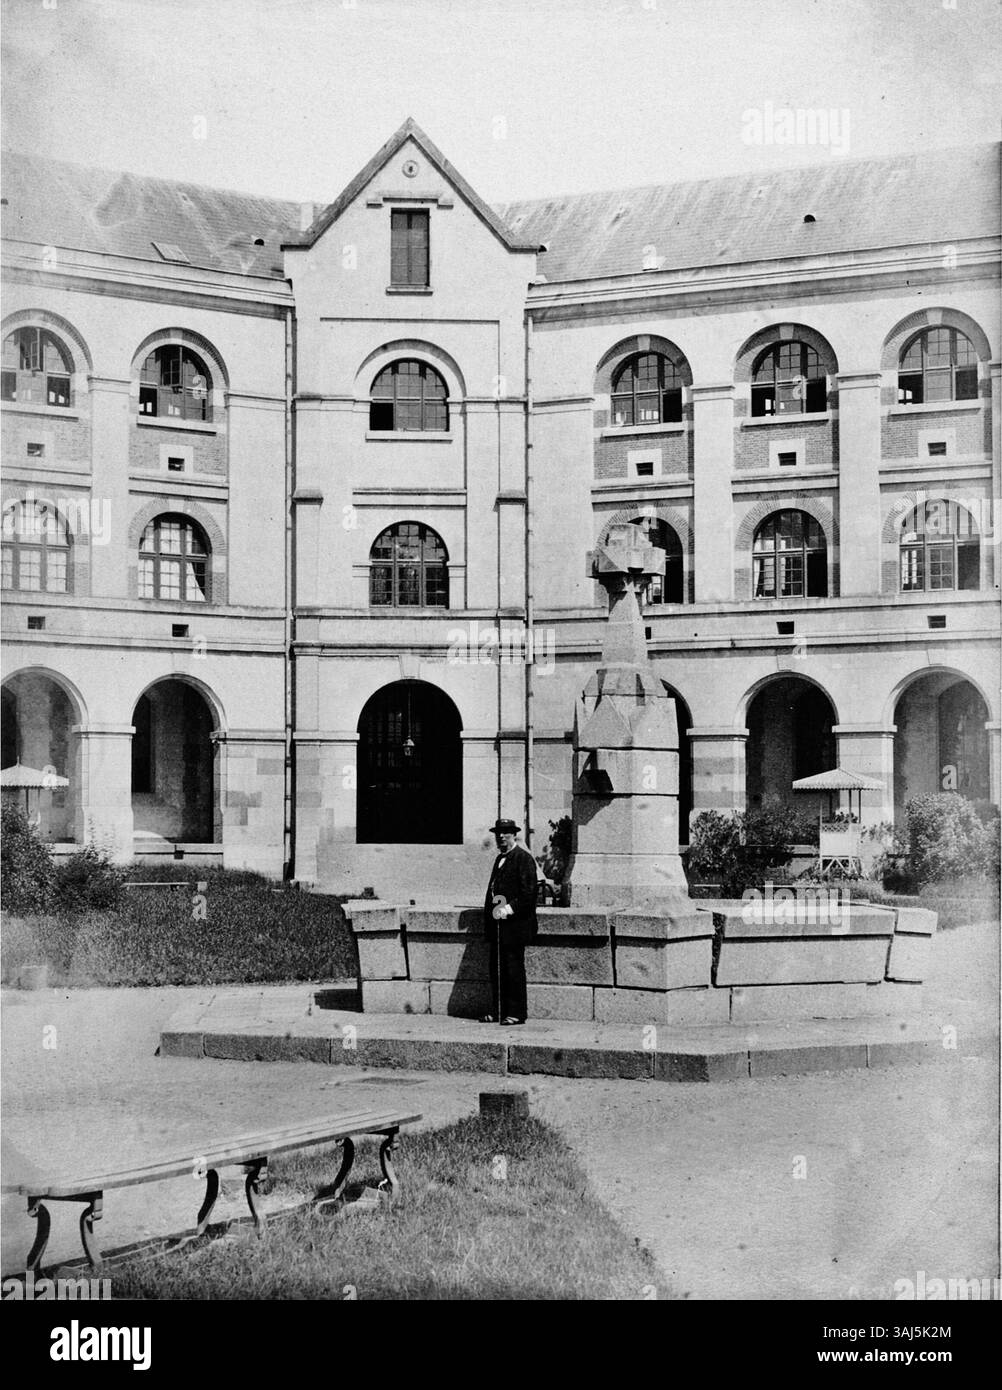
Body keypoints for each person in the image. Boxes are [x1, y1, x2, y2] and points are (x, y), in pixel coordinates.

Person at [481, 817, 538, 1025]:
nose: (501, 837)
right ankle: (498, 1010)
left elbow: (529, 893)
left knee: (513, 969)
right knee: (497, 969)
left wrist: (508, 909)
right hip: (499, 927)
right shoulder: (500, 859)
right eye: (498, 834)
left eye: (506, 833)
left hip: (515, 926)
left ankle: (516, 1012)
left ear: (514, 835)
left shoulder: (523, 858)